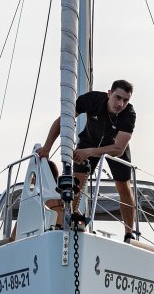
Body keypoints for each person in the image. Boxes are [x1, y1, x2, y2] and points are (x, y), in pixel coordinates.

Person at [39, 79, 138, 241]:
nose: (121, 104)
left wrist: (90, 152)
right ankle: (68, 222)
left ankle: (129, 233)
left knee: (123, 186)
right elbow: (63, 120)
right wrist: (46, 148)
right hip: (90, 139)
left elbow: (118, 149)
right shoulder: (92, 100)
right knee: (76, 183)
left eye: (126, 100)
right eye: (118, 98)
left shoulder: (129, 115)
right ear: (109, 93)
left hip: (114, 147)